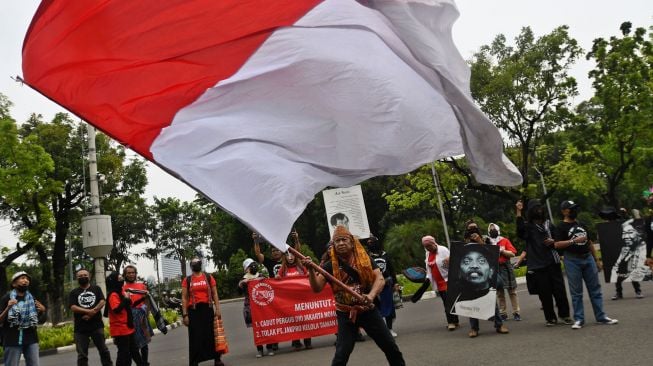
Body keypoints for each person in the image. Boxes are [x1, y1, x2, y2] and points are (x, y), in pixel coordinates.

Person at [303, 225, 405, 366]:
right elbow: (316, 288)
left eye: (344, 240)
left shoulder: (365, 259)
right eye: (337, 241)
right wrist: (310, 269)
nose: (341, 243)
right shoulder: (329, 266)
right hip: (346, 315)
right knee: (341, 355)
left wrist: (371, 295)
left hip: (368, 311)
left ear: (352, 242)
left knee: (391, 347)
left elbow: (380, 279)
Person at [553, 200, 618, 329]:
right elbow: (556, 244)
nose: (574, 211)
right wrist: (573, 241)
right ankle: (579, 319)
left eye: (575, 208)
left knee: (595, 289)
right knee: (576, 292)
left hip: (587, 258)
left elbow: (589, 242)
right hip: (572, 260)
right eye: (572, 208)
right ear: (564, 211)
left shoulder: (581, 224)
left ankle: (601, 316)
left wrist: (597, 260)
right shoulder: (560, 227)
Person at [515, 199, 573, 326]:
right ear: (530, 211)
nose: (539, 210)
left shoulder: (548, 224)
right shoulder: (528, 226)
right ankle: (550, 318)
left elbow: (557, 239)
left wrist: (553, 241)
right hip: (538, 265)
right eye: (536, 208)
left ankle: (565, 315)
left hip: (553, 261)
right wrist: (519, 211)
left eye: (540, 208)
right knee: (544, 293)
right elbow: (520, 232)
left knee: (560, 290)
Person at [457, 221, 508, 338]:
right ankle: (474, 328)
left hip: (485, 274)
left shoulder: (486, 239)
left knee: (491, 300)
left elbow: (492, 254)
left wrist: (480, 241)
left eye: (475, 228)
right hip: (470, 277)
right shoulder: (464, 243)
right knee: (471, 302)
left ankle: (499, 325)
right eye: (470, 229)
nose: (473, 230)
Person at [181, 257, 225, 366]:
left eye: (197, 263)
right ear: (191, 266)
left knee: (211, 335)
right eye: (193, 263)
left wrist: (218, 309)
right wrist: (185, 314)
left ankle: (217, 359)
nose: (196, 265)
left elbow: (214, 293)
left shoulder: (209, 277)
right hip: (194, 312)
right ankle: (194, 361)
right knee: (195, 336)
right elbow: (184, 298)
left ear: (201, 264)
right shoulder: (187, 280)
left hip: (207, 310)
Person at [0, 271, 47, 366]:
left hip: (31, 339)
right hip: (12, 339)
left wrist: (43, 310)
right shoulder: (6, 298)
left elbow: (40, 320)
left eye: (27, 279)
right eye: (22, 278)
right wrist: (8, 308)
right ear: (14, 283)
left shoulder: (31, 299)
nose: (25, 280)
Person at [69, 268, 112, 366]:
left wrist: (94, 311)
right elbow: (73, 307)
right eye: (80, 276)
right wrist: (89, 312)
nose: (83, 277)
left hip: (96, 326)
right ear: (77, 278)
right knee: (82, 355)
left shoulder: (96, 288)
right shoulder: (73, 292)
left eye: (85, 275)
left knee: (104, 351)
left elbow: (102, 301)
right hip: (80, 329)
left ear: (89, 276)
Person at [599, 207, 645, 299]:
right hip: (614, 251)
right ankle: (619, 292)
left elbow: (633, 225)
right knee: (616, 272)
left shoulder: (622, 223)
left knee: (631, 270)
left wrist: (625, 214)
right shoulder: (605, 228)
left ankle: (638, 291)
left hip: (627, 249)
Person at [105, 271, 144, 366]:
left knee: (134, 350)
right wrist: (126, 299)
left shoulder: (121, 291)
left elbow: (130, 305)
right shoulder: (113, 294)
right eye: (119, 278)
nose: (122, 280)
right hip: (119, 329)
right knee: (123, 354)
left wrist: (143, 298)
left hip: (128, 327)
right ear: (114, 281)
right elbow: (117, 310)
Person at [276, 251, 313, 350]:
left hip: (302, 300)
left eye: (292, 255)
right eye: (287, 255)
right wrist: (277, 278)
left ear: (295, 256)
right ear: (285, 257)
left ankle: (307, 341)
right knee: (293, 323)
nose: (290, 257)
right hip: (289, 301)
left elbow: (309, 277)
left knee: (305, 321)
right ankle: (296, 343)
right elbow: (277, 281)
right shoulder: (282, 269)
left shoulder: (301, 267)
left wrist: (309, 274)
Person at [421, 235, 459, 330]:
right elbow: (429, 268)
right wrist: (427, 277)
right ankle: (455, 321)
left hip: (447, 280)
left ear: (434, 243)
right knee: (448, 302)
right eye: (426, 247)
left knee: (447, 302)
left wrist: (450, 260)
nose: (428, 248)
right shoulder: (428, 254)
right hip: (439, 282)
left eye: (429, 246)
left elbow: (454, 261)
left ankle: (451, 322)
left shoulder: (442, 250)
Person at [366, 234, 400, 337]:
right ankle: (379, 330)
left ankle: (389, 329)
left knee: (388, 307)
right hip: (373, 287)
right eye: (368, 243)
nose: (370, 244)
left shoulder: (385, 255)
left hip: (386, 285)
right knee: (375, 308)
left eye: (372, 242)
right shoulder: (366, 256)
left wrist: (395, 283)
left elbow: (391, 269)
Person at [239, 258, 273, 358]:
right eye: (250, 265)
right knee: (257, 328)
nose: (253, 266)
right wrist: (242, 284)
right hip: (250, 306)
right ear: (246, 269)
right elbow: (239, 291)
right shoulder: (243, 279)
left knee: (266, 326)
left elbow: (269, 286)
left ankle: (269, 347)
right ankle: (260, 349)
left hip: (263, 305)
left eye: (254, 264)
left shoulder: (261, 276)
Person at [487, 223, 521, 321]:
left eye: (494, 229)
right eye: (491, 229)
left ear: (498, 230)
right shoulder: (488, 242)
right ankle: (503, 313)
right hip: (495, 268)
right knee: (499, 292)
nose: (493, 230)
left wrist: (502, 251)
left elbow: (513, 254)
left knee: (512, 291)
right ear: (488, 231)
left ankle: (516, 312)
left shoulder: (504, 240)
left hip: (506, 267)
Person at [122, 265, 153, 365]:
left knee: (144, 343)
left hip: (142, 317)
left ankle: (144, 362)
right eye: (129, 273)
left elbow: (147, 300)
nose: (131, 275)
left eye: (133, 273)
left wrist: (147, 314)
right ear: (125, 275)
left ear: (136, 274)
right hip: (129, 318)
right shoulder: (122, 288)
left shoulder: (142, 286)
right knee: (132, 344)